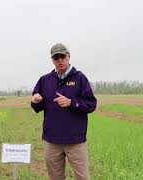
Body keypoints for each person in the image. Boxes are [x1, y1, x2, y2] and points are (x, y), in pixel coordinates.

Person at [31, 43, 97, 180]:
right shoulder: (45, 80)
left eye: (62, 56)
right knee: (55, 177)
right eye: (56, 57)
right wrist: (35, 101)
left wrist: (72, 102)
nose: (60, 60)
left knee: (82, 177)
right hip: (52, 141)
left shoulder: (80, 78)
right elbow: (38, 106)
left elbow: (91, 104)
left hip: (75, 141)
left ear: (68, 56)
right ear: (52, 60)